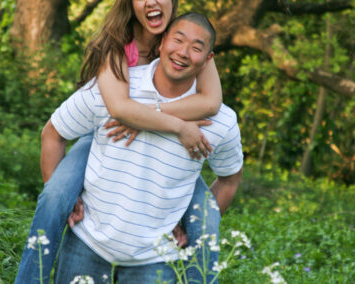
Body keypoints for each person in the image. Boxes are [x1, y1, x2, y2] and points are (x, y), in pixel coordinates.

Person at [15, 0, 223, 282]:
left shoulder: (187, 38)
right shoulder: (117, 44)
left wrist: (147, 115)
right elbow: (120, 111)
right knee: (55, 196)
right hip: (106, 134)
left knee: (207, 220)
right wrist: (179, 125)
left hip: (160, 146)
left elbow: (210, 102)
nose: (152, 1)